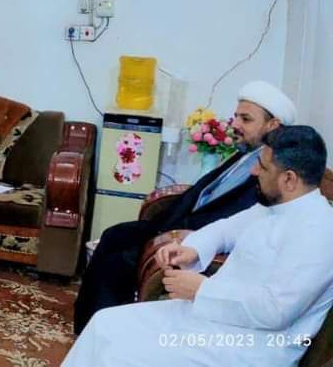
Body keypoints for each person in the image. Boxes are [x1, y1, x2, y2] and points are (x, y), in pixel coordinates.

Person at [63, 125, 333, 366]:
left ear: (289, 179)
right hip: (216, 319)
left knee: (120, 355)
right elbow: (225, 229)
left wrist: (201, 289)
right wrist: (192, 249)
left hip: (253, 346)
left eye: (261, 167)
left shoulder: (318, 232)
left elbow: (275, 311)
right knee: (104, 324)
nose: (253, 172)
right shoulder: (274, 207)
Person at [74, 80, 296, 333]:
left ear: (273, 125)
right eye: (236, 116)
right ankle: (89, 326)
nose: (235, 124)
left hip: (192, 235)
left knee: (119, 257)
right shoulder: (245, 153)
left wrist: (178, 233)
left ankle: (107, 330)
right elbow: (202, 192)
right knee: (114, 235)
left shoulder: (271, 171)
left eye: (245, 119)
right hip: (178, 223)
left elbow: (232, 219)